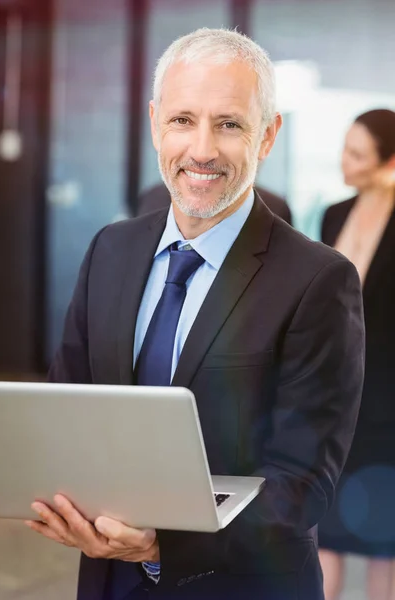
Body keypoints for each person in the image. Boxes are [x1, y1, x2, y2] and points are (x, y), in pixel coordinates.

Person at [25, 28, 364, 600]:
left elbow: (304, 485)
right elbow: (68, 412)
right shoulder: (110, 250)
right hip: (109, 584)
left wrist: (163, 546)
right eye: (183, 120)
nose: (202, 149)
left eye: (228, 124)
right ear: (156, 122)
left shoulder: (317, 280)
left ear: (267, 135)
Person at [319, 109, 395, 600]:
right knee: (324, 531)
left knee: (383, 543)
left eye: (357, 154)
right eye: (345, 148)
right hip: (334, 398)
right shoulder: (334, 213)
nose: (344, 162)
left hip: (387, 405)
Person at [137, 182, 293, 224]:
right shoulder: (152, 197)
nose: (202, 153)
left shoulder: (275, 206)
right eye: (182, 121)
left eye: (230, 125)